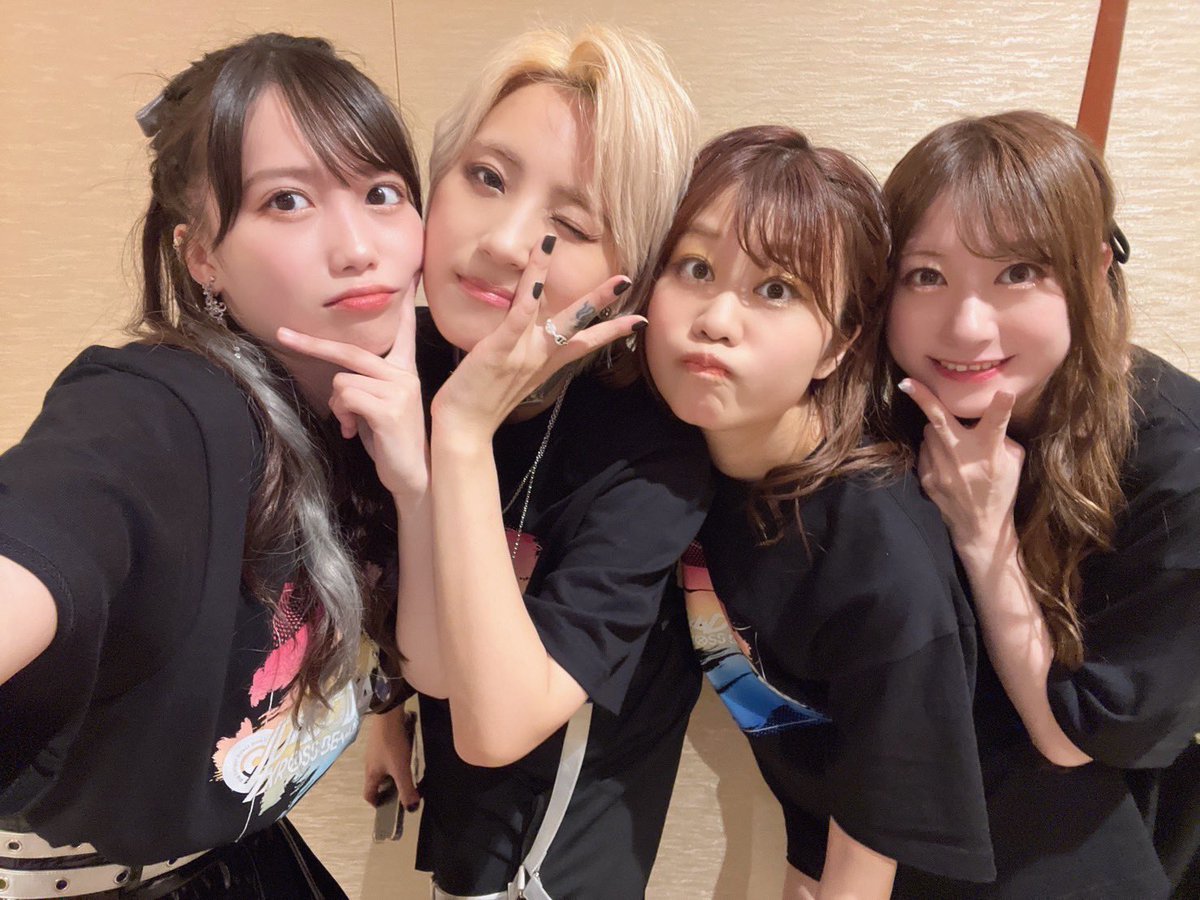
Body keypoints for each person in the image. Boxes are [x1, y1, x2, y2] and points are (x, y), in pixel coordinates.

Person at [282, 25, 710, 899]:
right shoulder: (399, 357)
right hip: (459, 804)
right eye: (486, 177)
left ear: (629, 274)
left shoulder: (652, 455)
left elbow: (498, 727)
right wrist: (389, 701)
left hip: (559, 843)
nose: (510, 241)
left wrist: (463, 434)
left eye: (573, 224)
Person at [0, 33, 425, 898]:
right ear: (202, 257)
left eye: (381, 192)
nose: (357, 246)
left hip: (250, 857)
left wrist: (418, 483)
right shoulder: (162, 413)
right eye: (287, 201)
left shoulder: (375, 410)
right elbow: (56, 521)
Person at [639, 125, 994, 900]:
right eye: (695, 268)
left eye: (776, 290)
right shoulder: (677, 468)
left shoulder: (874, 550)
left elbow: (881, 820)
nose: (716, 318)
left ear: (838, 345)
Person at [876, 109, 1200, 898]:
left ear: (1094, 269)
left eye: (1017, 272)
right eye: (926, 275)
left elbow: (1075, 739)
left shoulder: (1175, 462)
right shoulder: (896, 418)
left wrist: (983, 532)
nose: (967, 325)